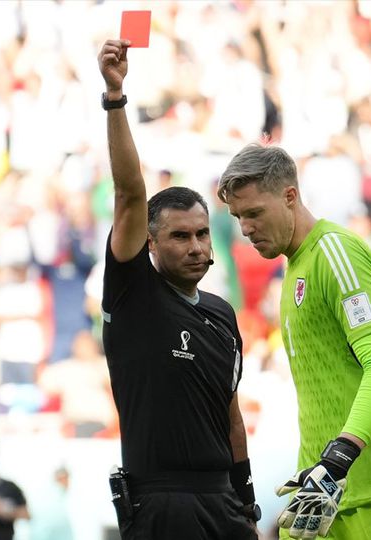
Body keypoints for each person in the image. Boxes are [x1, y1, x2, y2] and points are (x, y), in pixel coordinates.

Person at [218, 144, 371, 540]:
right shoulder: (294, 271)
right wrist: (315, 471)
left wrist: (339, 457)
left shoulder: (335, 253)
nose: (246, 228)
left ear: (290, 197)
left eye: (254, 213)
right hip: (327, 496)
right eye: (238, 217)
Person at [97, 40, 258, 539]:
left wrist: (246, 502)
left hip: (225, 503)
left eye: (202, 234)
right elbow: (129, 193)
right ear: (149, 243)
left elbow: (231, 415)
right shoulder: (133, 294)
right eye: (179, 236)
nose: (195, 246)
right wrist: (116, 98)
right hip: (159, 504)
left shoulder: (221, 313)